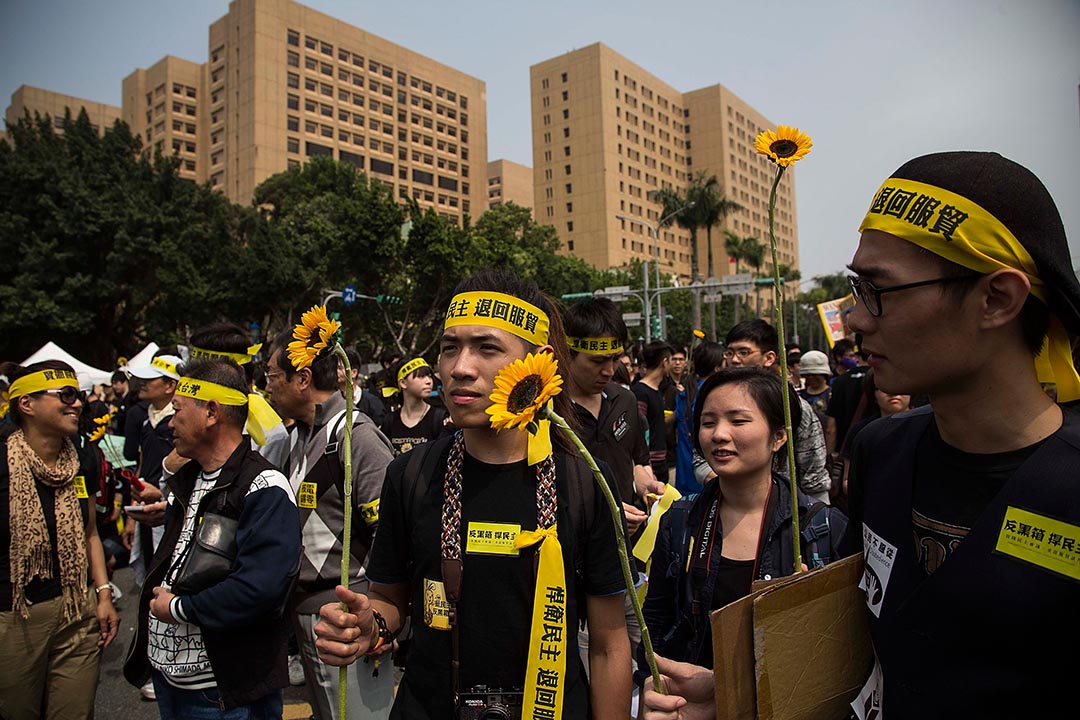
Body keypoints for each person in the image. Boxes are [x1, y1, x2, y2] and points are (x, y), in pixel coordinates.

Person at [313, 269, 632, 719]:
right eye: (449, 348)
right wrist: (369, 625)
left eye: (487, 348)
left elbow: (608, 643)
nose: (460, 368)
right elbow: (390, 599)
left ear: (536, 361)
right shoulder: (411, 474)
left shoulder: (584, 482)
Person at [843, 151, 1080, 716]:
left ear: (997, 299)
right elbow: (860, 652)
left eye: (878, 289)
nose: (855, 318)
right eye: (857, 288)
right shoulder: (880, 451)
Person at [638, 368, 848, 714]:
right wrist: (656, 690)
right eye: (708, 423)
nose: (719, 435)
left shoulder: (822, 529)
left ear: (779, 436)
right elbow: (656, 629)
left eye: (738, 421)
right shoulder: (679, 520)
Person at [123, 358, 301, 717]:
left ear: (211, 413)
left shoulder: (263, 487)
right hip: (170, 679)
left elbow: (259, 589)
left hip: (223, 690)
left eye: (178, 410)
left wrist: (177, 608)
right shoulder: (189, 478)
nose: (171, 422)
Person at [267, 331, 396, 720]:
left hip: (349, 618)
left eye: (272, 376)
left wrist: (376, 619)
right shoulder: (294, 437)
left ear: (302, 379)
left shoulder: (355, 436)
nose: (266, 385)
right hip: (306, 614)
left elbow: (389, 536)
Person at [0, 361, 119, 720]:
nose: (78, 403)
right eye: (66, 395)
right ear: (26, 404)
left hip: (77, 610)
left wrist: (102, 594)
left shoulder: (83, 456)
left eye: (79, 395)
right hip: (15, 616)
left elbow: (91, 533)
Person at [562, 298, 665, 685]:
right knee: (593, 656)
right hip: (579, 562)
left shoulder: (624, 399)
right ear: (566, 354)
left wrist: (649, 485)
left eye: (616, 360)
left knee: (638, 647)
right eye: (595, 363)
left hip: (631, 552)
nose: (609, 371)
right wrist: (606, 506)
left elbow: (637, 461)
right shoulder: (551, 413)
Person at [724, 320, 832, 503]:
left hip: (783, 509)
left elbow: (813, 471)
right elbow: (700, 457)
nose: (734, 360)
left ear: (769, 358)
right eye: (730, 352)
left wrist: (819, 518)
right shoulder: (718, 401)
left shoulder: (792, 406)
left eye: (744, 352)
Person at [674, 341, 725, 494]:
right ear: (717, 368)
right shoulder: (712, 397)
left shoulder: (686, 393)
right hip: (706, 473)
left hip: (685, 470)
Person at [379, 357, 451, 458]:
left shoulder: (439, 419)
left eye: (429, 376)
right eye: (421, 376)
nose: (429, 381)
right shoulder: (390, 421)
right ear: (403, 383)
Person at [633, 340, 675, 484]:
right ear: (665, 362)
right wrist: (647, 468)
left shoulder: (657, 390)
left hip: (662, 461)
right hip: (650, 465)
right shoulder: (641, 392)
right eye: (671, 360)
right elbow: (639, 430)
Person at [797, 350, 833, 430]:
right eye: (808, 375)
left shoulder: (832, 395)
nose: (811, 378)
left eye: (814, 375)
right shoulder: (799, 396)